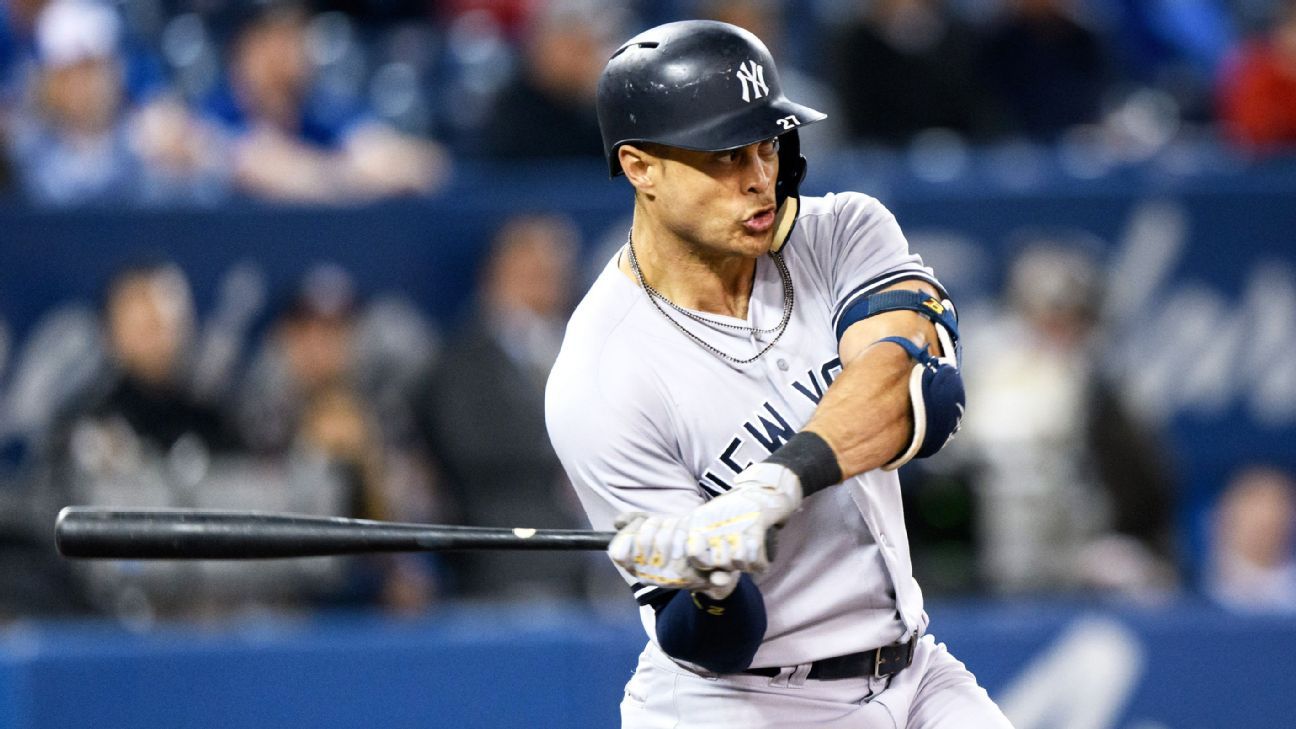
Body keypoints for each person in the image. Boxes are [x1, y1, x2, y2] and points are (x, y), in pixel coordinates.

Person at [545, 20, 1011, 728]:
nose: (759, 178)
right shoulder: (600, 376)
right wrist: (710, 585)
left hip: (915, 669)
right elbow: (716, 644)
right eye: (725, 156)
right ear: (640, 167)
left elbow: (920, 393)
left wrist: (771, 488)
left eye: (767, 145)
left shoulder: (841, 232)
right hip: (744, 703)